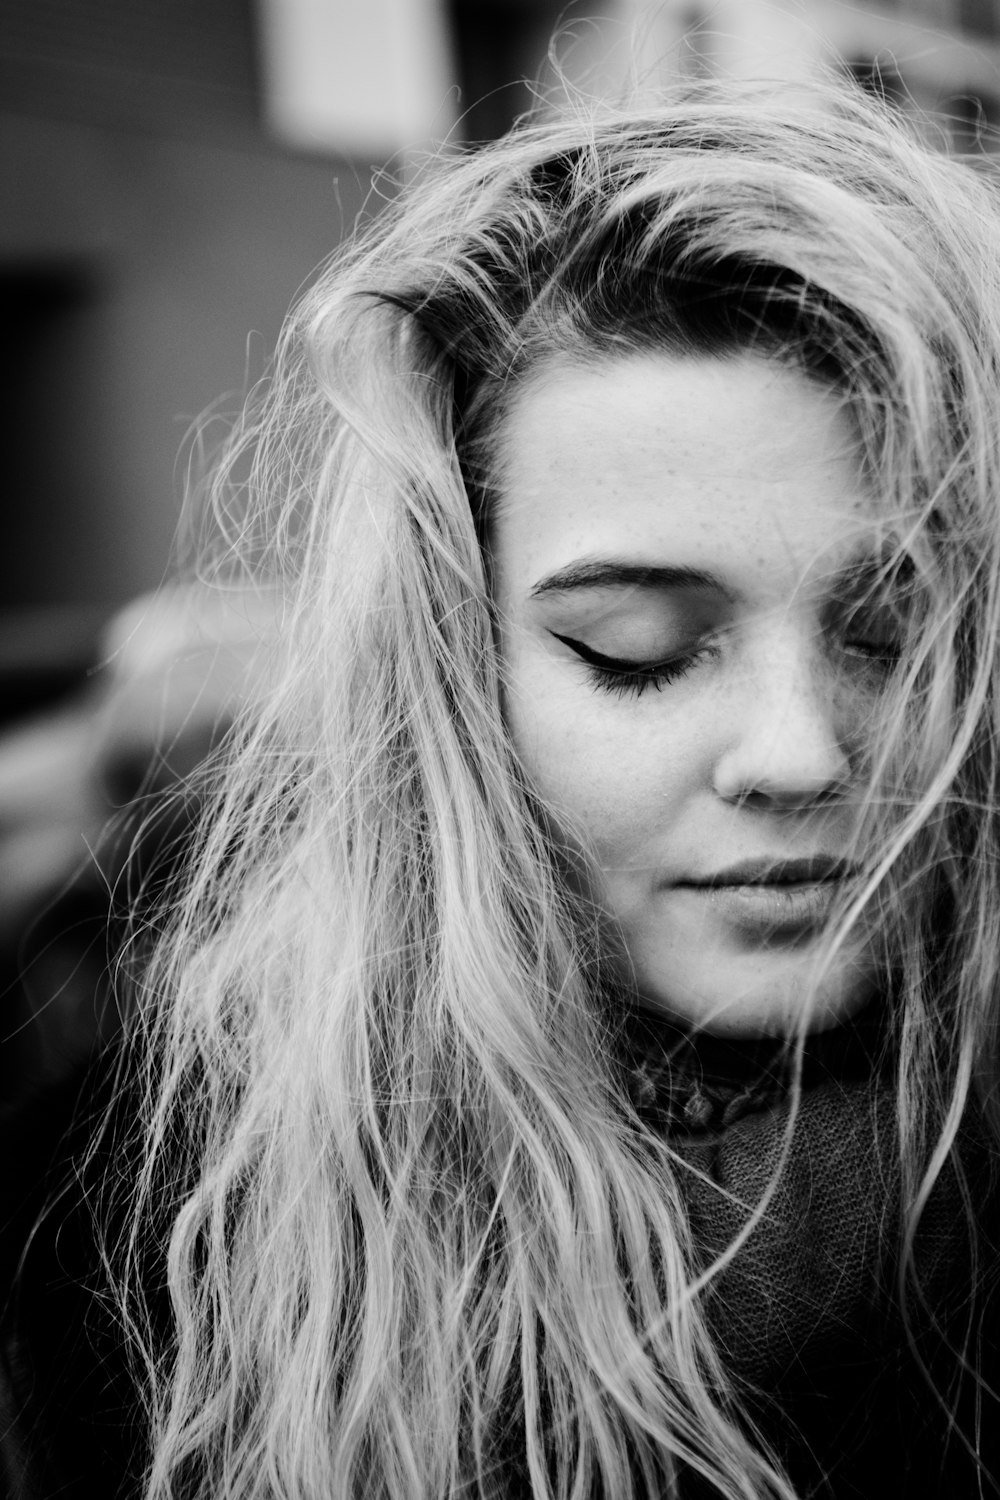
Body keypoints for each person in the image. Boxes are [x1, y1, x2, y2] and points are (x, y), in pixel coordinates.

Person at [7, 74, 1000, 1499]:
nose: (798, 753)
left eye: (895, 632)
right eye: (638, 653)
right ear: (457, 678)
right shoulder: (157, 1237)